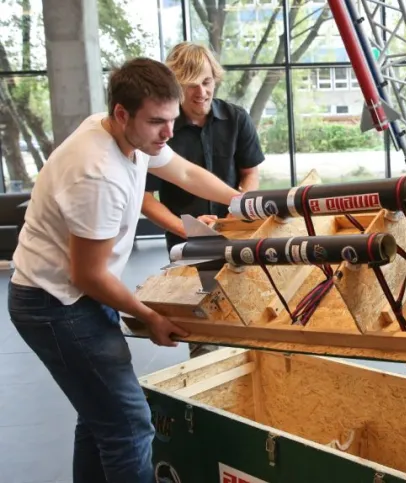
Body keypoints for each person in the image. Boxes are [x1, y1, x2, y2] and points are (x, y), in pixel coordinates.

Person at [7, 57, 242, 482]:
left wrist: (243, 205)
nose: (169, 133)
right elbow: (88, 275)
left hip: (70, 295)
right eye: (157, 123)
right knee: (130, 425)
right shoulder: (96, 174)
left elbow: (185, 171)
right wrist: (150, 316)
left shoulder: (122, 131)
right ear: (122, 113)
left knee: (100, 417)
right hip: (55, 304)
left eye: (172, 120)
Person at [141, 42, 265, 358]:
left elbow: (251, 172)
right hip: (187, 247)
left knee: (250, 320)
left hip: (238, 238)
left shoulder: (237, 119)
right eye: (191, 85)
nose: (201, 92)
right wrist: (188, 230)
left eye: (207, 82)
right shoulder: (161, 131)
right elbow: (144, 198)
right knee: (205, 335)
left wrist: (240, 212)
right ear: (175, 86)